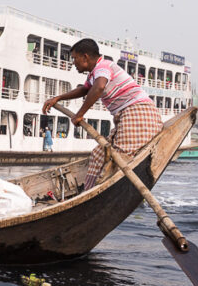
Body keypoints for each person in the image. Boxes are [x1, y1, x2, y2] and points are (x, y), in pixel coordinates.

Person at [42, 38, 162, 190]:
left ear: (85, 57)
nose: (73, 62)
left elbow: (98, 88)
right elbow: (85, 89)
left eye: (74, 58)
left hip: (138, 113)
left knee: (119, 157)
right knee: (99, 153)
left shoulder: (103, 66)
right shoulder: (94, 73)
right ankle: (89, 191)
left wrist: (80, 114)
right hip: (125, 115)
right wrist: (58, 98)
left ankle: (103, 190)